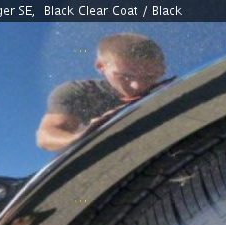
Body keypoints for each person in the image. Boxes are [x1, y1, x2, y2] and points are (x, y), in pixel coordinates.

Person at [36, 33, 168, 152]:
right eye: (125, 76)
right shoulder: (78, 92)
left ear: (161, 70)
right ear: (101, 66)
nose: (137, 86)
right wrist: (87, 135)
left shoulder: (167, 88)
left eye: (149, 76)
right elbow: (46, 136)